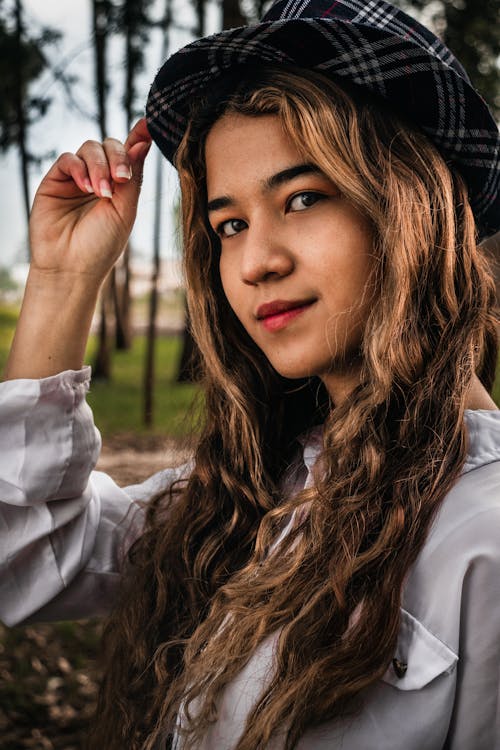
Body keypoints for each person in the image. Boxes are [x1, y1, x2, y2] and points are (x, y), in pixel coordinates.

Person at [1, 0, 500, 748]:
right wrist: (65, 279)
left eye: (302, 198)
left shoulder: (483, 535)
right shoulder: (254, 494)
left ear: (413, 208)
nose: (255, 260)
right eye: (228, 223)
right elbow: (26, 556)